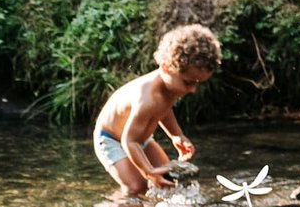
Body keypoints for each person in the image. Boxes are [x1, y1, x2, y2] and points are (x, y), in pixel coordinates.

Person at [93, 24, 222, 197]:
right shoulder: (146, 98)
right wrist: (147, 171)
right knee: (136, 186)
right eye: (188, 82)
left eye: (198, 83)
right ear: (167, 67)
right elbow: (129, 141)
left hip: (141, 139)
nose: (192, 90)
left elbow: (164, 110)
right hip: (111, 140)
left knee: (168, 180)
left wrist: (177, 135)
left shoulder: (168, 89)